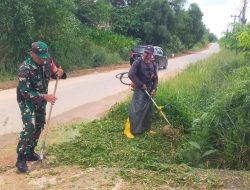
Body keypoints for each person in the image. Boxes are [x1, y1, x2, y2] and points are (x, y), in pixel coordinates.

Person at [16, 41, 66, 173]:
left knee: (39, 124)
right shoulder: (24, 69)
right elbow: (25, 92)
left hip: (42, 99)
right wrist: (45, 97)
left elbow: (56, 74)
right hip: (27, 100)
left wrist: (60, 73)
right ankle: (21, 158)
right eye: (40, 57)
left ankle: (30, 152)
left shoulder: (47, 62)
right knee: (30, 126)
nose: (42, 59)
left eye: (44, 56)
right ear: (32, 54)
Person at [124, 45, 158, 138]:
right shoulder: (137, 62)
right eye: (146, 53)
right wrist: (140, 84)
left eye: (150, 54)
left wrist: (154, 89)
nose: (148, 55)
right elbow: (131, 74)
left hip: (150, 90)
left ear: (152, 55)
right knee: (136, 110)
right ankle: (131, 130)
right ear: (145, 53)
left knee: (148, 110)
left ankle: (146, 129)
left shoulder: (153, 64)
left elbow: (155, 79)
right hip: (140, 89)